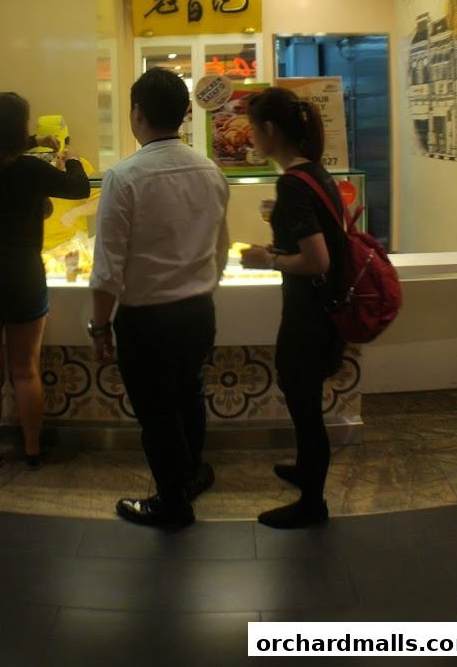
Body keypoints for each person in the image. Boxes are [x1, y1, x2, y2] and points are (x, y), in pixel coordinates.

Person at [88, 68, 230, 529]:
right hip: (198, 312)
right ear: (185, 114)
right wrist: (206, 288)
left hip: (147, 318)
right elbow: (221, 246)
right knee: (189, 395)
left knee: (158, 413)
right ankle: (190, 476)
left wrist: (99, 326)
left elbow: (109, 266)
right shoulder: (210, 170)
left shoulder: (124, 176)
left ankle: (172, 503)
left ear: (137, 113)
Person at [0, 92, 90, 467]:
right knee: (25, 370)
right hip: (20, 278)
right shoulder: (29, 170)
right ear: (21, 127)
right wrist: (71, 157)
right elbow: (79, 188)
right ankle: (32, 448)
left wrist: (33, 143)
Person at [239, 86, 345, 529]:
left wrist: (269, 259)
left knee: (305, 409)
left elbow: (317, 259)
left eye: (253, 130)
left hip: (309, 318)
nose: (250, 139)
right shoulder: (315, 173)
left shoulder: (291, 182)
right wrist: (280, 247)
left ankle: (312, 503)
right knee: (305, 402)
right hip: (325, 312)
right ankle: (305, 470)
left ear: (269, 130)